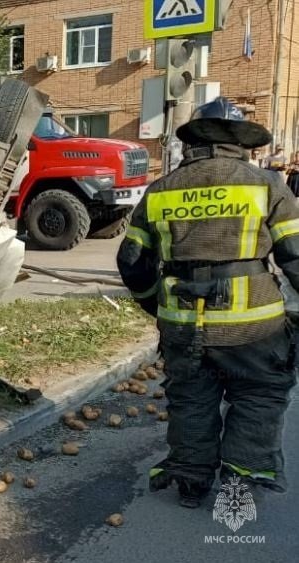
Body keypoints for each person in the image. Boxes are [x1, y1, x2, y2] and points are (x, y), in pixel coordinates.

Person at [117, 97, 299, 509]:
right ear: (241, 142)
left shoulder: (161, 190)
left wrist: (156, 306)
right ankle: (241, 476)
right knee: (259, 394)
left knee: (191, 398)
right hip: (256, 328)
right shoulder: (268, 185)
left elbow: (131, 261)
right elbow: (295, 255)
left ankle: (191, 481)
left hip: (182, 323)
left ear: (195, 138)